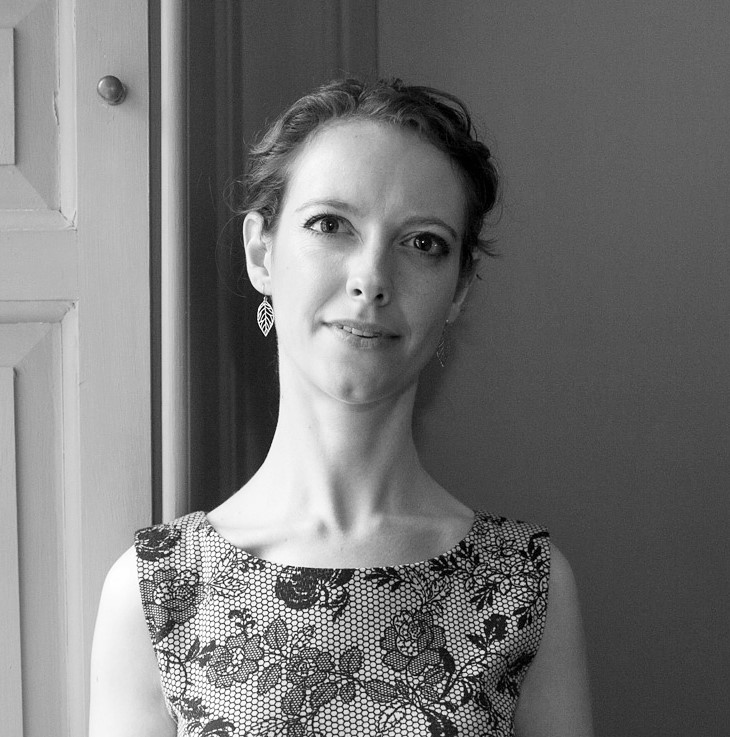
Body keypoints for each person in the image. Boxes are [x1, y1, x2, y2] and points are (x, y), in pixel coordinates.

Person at [89, 78, 593, 737]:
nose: (371, 279)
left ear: (459, 290)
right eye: (331, 225)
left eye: (423, 242)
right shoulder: (154, 592)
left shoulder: (526, 585)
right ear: (261, 251)